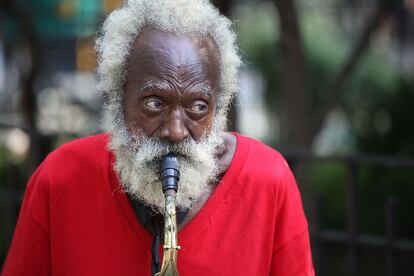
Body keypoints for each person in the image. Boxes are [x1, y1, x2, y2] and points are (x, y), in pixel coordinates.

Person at [1, 0, 314, 275]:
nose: (175, 131)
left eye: (198, 107)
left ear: (219, 108)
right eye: (154, 103)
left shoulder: (269, 179)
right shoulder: (59, 178)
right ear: (118, 98)